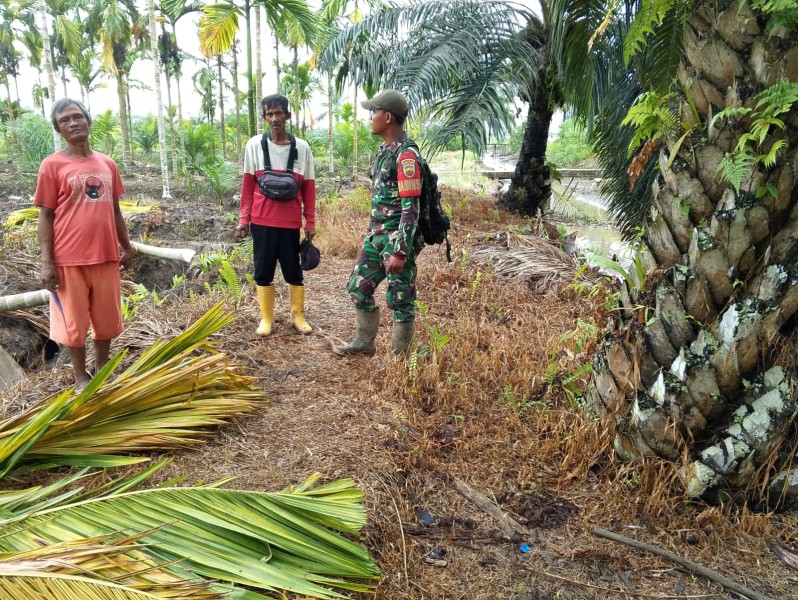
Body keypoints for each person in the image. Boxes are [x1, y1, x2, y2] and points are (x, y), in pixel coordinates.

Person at [34, 98, 134, 390]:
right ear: (59, 130)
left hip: (105, 257)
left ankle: (102, 369)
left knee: (106, 321)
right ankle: (80, 377)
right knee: (73, 324)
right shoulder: (52, 166)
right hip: (68, 260)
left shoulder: (107, 164)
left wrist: (127, 246)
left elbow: (114, 210)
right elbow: (46, 215)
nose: (73, 123)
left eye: (77, 117)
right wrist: (46, 261)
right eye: (65, 120)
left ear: (88, 121)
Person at [335, 89, 422, 357]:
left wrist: (400, 250)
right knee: (358, 288)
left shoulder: (406, 157)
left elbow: (411, 210)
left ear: (387, 117)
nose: (370, 117)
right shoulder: (384, 151)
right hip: (376, 237)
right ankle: (364, 342)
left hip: (397, 239)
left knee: (400, 299)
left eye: (373, 112)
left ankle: (400, 358)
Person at [236, 94, 316, 336]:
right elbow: (248, 187)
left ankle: (297, 316)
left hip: (290, 222)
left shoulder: (302, 148)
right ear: (264, 118)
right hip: (261, 221)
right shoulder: (254, 146)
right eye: (269, 114)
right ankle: (266, 319)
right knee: (263, 270)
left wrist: (310, 221)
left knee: (293, 269)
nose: (274, 119)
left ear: (287, 116)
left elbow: (309, 188)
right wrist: (244, 219)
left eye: (279, 113)